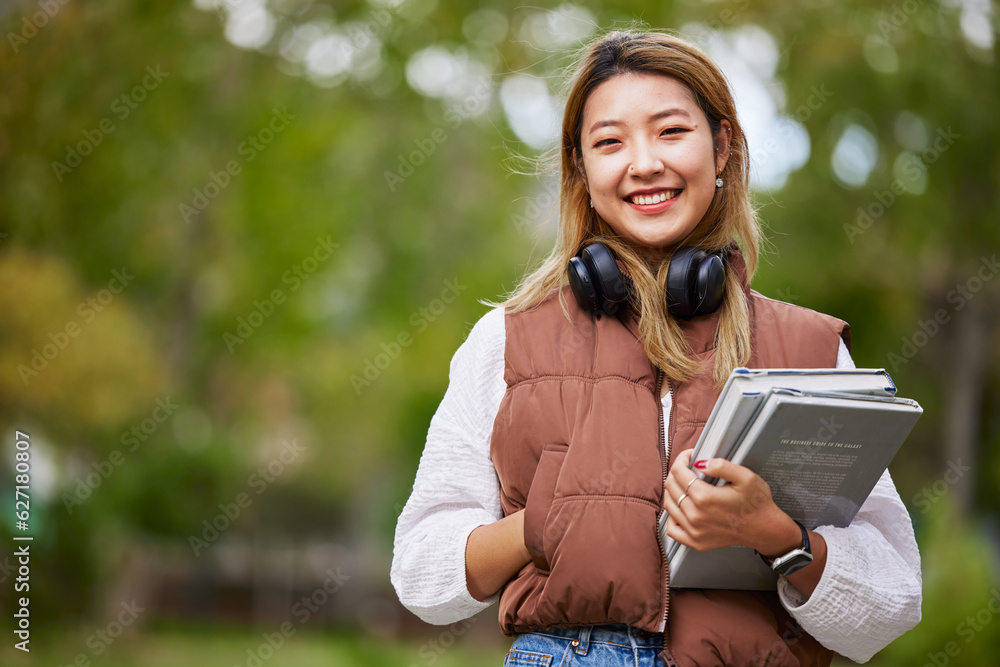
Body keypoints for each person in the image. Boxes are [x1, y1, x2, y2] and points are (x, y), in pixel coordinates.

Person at [391, 30, 921, 666]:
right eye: (610, 142)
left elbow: (893, 600)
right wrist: (540, 526)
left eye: (671, 131)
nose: (643, 163)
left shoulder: (810, 348)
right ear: (582, 172)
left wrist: (774, 534)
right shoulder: (505, 339)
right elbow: (423, 575)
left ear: (722, 147)